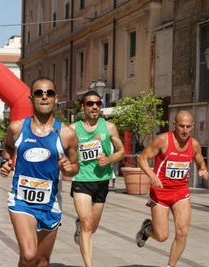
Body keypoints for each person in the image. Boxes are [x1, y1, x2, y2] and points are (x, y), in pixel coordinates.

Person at [0, 76, 79, 266]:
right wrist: (6, 161)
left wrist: (70, 168)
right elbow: (9, 147)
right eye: (39, 93)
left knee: (42, 260)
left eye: (49, 93)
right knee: (28, 255)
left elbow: (76, 166)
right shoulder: (17, 128)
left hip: (50, 203)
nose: (44, 97)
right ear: (30, 98)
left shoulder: (67, 134)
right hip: (21, 201)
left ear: (55, 98)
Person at [135, 110, 209, 267]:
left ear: (192, 126)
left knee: (182, 232)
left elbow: (201, 162)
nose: (184, 130)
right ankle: (147, 229)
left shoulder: (194, 145)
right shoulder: (163, 140)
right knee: (162, 236)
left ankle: (170, 266)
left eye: (188, 127)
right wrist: (152, 176)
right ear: (174, 124)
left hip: (181, 193)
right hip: (160, 193)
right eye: (181, 126)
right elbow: (142, 158)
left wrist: (203, 169)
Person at [69, 90, 125, 267]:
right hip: (81, 180)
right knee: (87, 223)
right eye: (90, 104)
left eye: (98, 104)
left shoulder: (109, 127)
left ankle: (80, 227)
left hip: (102, 181)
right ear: (83, 107)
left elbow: (121, 151)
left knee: (91, 227)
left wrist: (109, 159)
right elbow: (61, 150)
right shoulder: (72, 129)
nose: (94, 107)